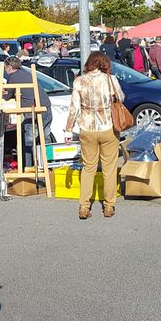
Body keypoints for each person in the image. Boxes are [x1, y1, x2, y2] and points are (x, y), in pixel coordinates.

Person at [65, 52, 124, 220]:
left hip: (87, 128)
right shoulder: (110, 80)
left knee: (88, 168)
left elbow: (74, 108)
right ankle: (109, 205)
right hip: (108, 127)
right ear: (104, 63)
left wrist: (69, 129)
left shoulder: (79, 81)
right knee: (109, 168)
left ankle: (84, 206)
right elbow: (121, 98)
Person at [3, 56, 52, 168]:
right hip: (46, 107)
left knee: (28, 141)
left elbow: (7, 95)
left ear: (9, 67)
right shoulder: (27, 73)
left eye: (6, 68)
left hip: (32, 110)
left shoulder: (13, 77)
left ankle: (28, 167)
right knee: (45, 139)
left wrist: (1, 92)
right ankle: (48, 166)